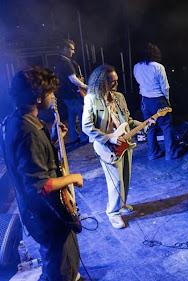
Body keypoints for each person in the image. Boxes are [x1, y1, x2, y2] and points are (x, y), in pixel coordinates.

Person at [1, 66, 84, 281]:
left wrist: (54, 140)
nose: (53, 97)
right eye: (50, 93)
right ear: (38, 98)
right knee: (58, 264)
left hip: (36, 210)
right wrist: (72, 178)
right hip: (45, 213)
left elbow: (30, 162)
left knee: (62, 258)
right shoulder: (28, 132)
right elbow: (41, 185)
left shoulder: (15, 120)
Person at [82, 65, 153, 229]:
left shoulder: (119, 97)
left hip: (125, 143)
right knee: (115, 181)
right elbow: (87, 126)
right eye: (110, 82)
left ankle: (122, 204)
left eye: (116, 82)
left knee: (126, 178)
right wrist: (109, 138)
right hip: (107, 147)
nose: (114, 85)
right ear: (101, 82)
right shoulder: (91, 98)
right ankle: (113, 213)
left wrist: (144, 124)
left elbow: (127, 121)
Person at [133, 43, 173, 160]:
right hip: (158, 99)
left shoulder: (136, 67)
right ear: (155, 53)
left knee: (150, 127)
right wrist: (167, 101)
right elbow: (165, 87)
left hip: (145, 100)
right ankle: (170, 154)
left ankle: (152, 153)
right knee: (166, 126)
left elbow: (139, 82)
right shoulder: (158, 67)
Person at [54, 39, 88, 144]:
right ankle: (83, 137)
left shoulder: (59, 62)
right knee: (82, 113)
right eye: (72, 49)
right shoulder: (66, 62)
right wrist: (85, 86)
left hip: (65, 95)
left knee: (72, 115)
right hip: (71, 94)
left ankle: (73, 137)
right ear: (65, 49)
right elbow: (73, 79)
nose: (73, 52)